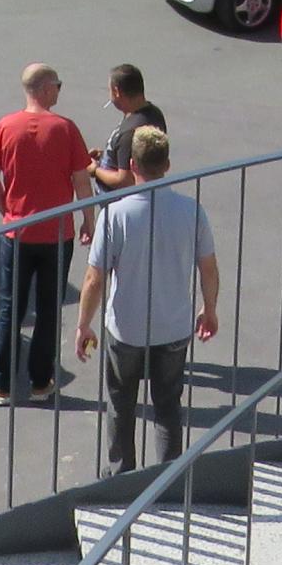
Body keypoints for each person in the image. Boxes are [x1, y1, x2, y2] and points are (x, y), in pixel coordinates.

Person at [72, 127, 217, 470]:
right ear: (167, 165)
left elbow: (94, 278)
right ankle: (168, 478)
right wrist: (209, 309)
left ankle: (121, 476)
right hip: (174, 326)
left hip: (127, 328)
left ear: (133, 165)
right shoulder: (192, 210)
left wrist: (83, 325)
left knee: (121, 403)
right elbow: (208, 268)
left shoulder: (115, 215)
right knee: (167, 406)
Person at [0, 62, 91, 402]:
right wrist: (89, 220)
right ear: (45, 89)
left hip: (17, 235)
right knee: (48, 310)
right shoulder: (65, 129)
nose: (59, 89)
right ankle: (41, 383)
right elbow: (82, 181)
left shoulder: (5, 126)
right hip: (57, 235)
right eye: (58, 84)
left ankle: (2, 386)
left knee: (10, 309)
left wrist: (8, 211)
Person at [87, 62, 165, 192]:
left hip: (115, 200)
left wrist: (95, 170)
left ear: (116, 91)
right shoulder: (154, 113)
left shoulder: (129, 132)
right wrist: (106, 156)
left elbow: (124, 180)